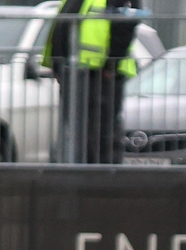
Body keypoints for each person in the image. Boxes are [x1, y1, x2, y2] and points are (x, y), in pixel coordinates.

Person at [42, 0, 141, 164]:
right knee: (79, 131)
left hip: (102, 74)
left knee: (101, 131)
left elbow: (125, 24)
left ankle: (103, 178)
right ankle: (84, 174)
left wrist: (111, 65)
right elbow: (62, 27)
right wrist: (57, 66)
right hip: (75, 72)